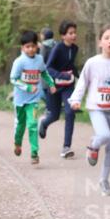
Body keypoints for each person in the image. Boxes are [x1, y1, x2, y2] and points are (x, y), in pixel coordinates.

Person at [69, 25, 110, 196]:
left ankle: (104, 180)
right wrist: (76, 100)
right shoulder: (93, 62)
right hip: (96, 108)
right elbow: (82, 82)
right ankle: (93, 145)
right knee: (104, 135)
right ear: (100, 42)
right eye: (106, 38)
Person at [10, 30, 56, 164]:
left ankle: (34, 153)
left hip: (33, 100)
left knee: (32, 125)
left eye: (33, 46)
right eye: (27, 47)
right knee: (21, 125)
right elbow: (13, 79)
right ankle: (17, 143)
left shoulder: (39, 59)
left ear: (37, 46)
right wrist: (28, 87)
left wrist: (51, 84)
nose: (30, 49)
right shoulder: (19, 62)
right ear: (22, 48)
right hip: (20, 100)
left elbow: (44, 73)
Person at [39, 20, 79, 158]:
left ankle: (66, 147)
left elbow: (70, 65)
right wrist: (62, 75)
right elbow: (48, 68)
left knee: (70, 112)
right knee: (54, 115)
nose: (74, 35)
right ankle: (44, 123)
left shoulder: (75, 48)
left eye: (74, 33)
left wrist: (81, 77)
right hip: (54, 86)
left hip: (68, 86)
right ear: (63, 36)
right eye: (70, 33)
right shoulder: (57, 48)